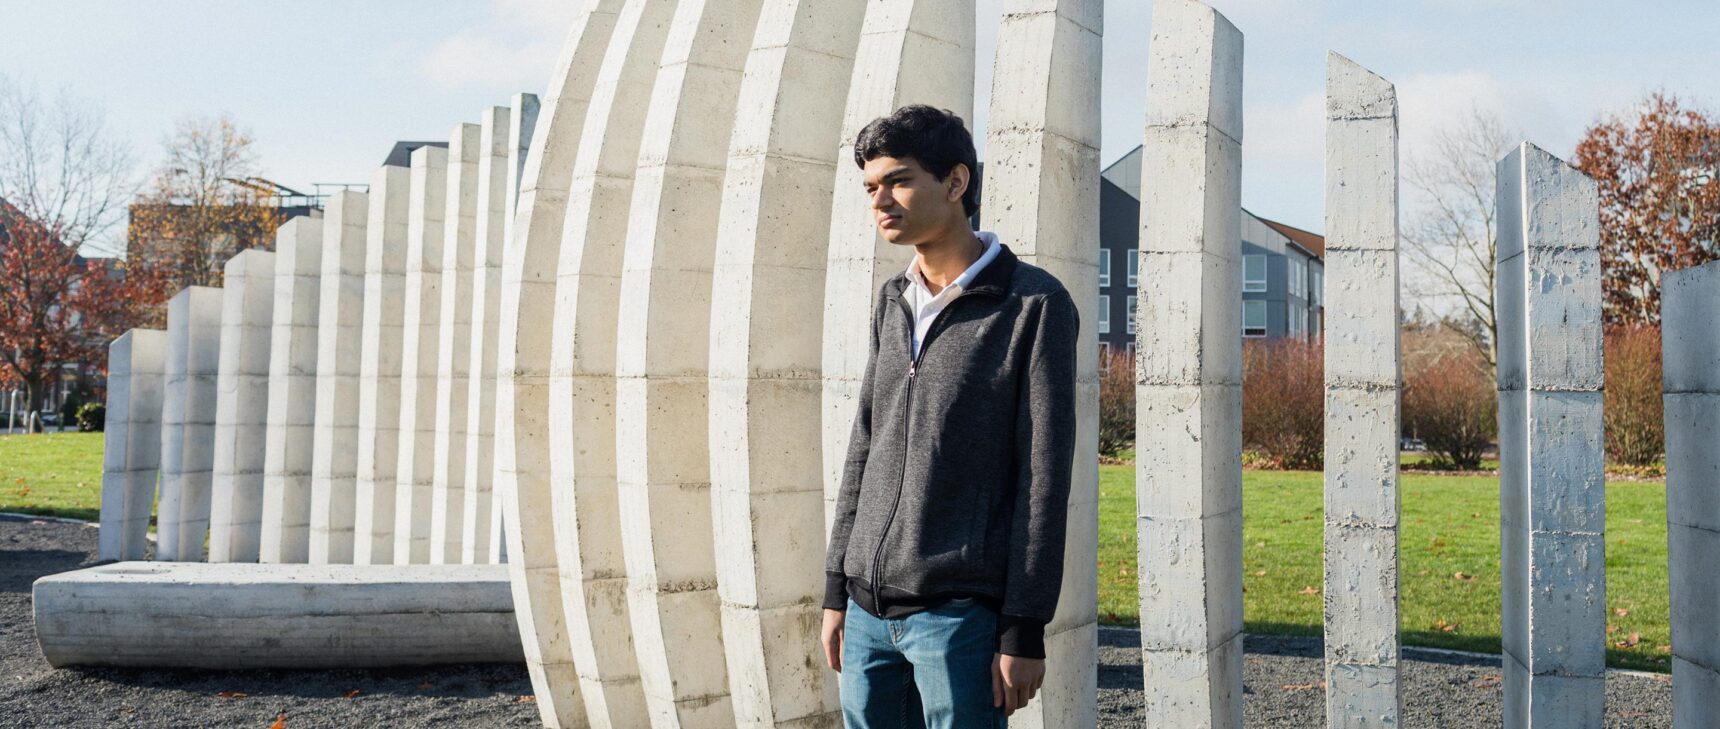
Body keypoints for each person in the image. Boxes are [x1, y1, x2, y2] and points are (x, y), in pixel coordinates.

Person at [820, 104, 1079, 728]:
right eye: (871, 187)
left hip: (959, 620)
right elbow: (865, 444)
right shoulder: (893, 300)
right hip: (866, 614)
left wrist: (1023, 627)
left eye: (900, 180)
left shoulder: (1033, 305)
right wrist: (836, 588)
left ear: (956, 183)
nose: (882, 200)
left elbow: (1042, 478)